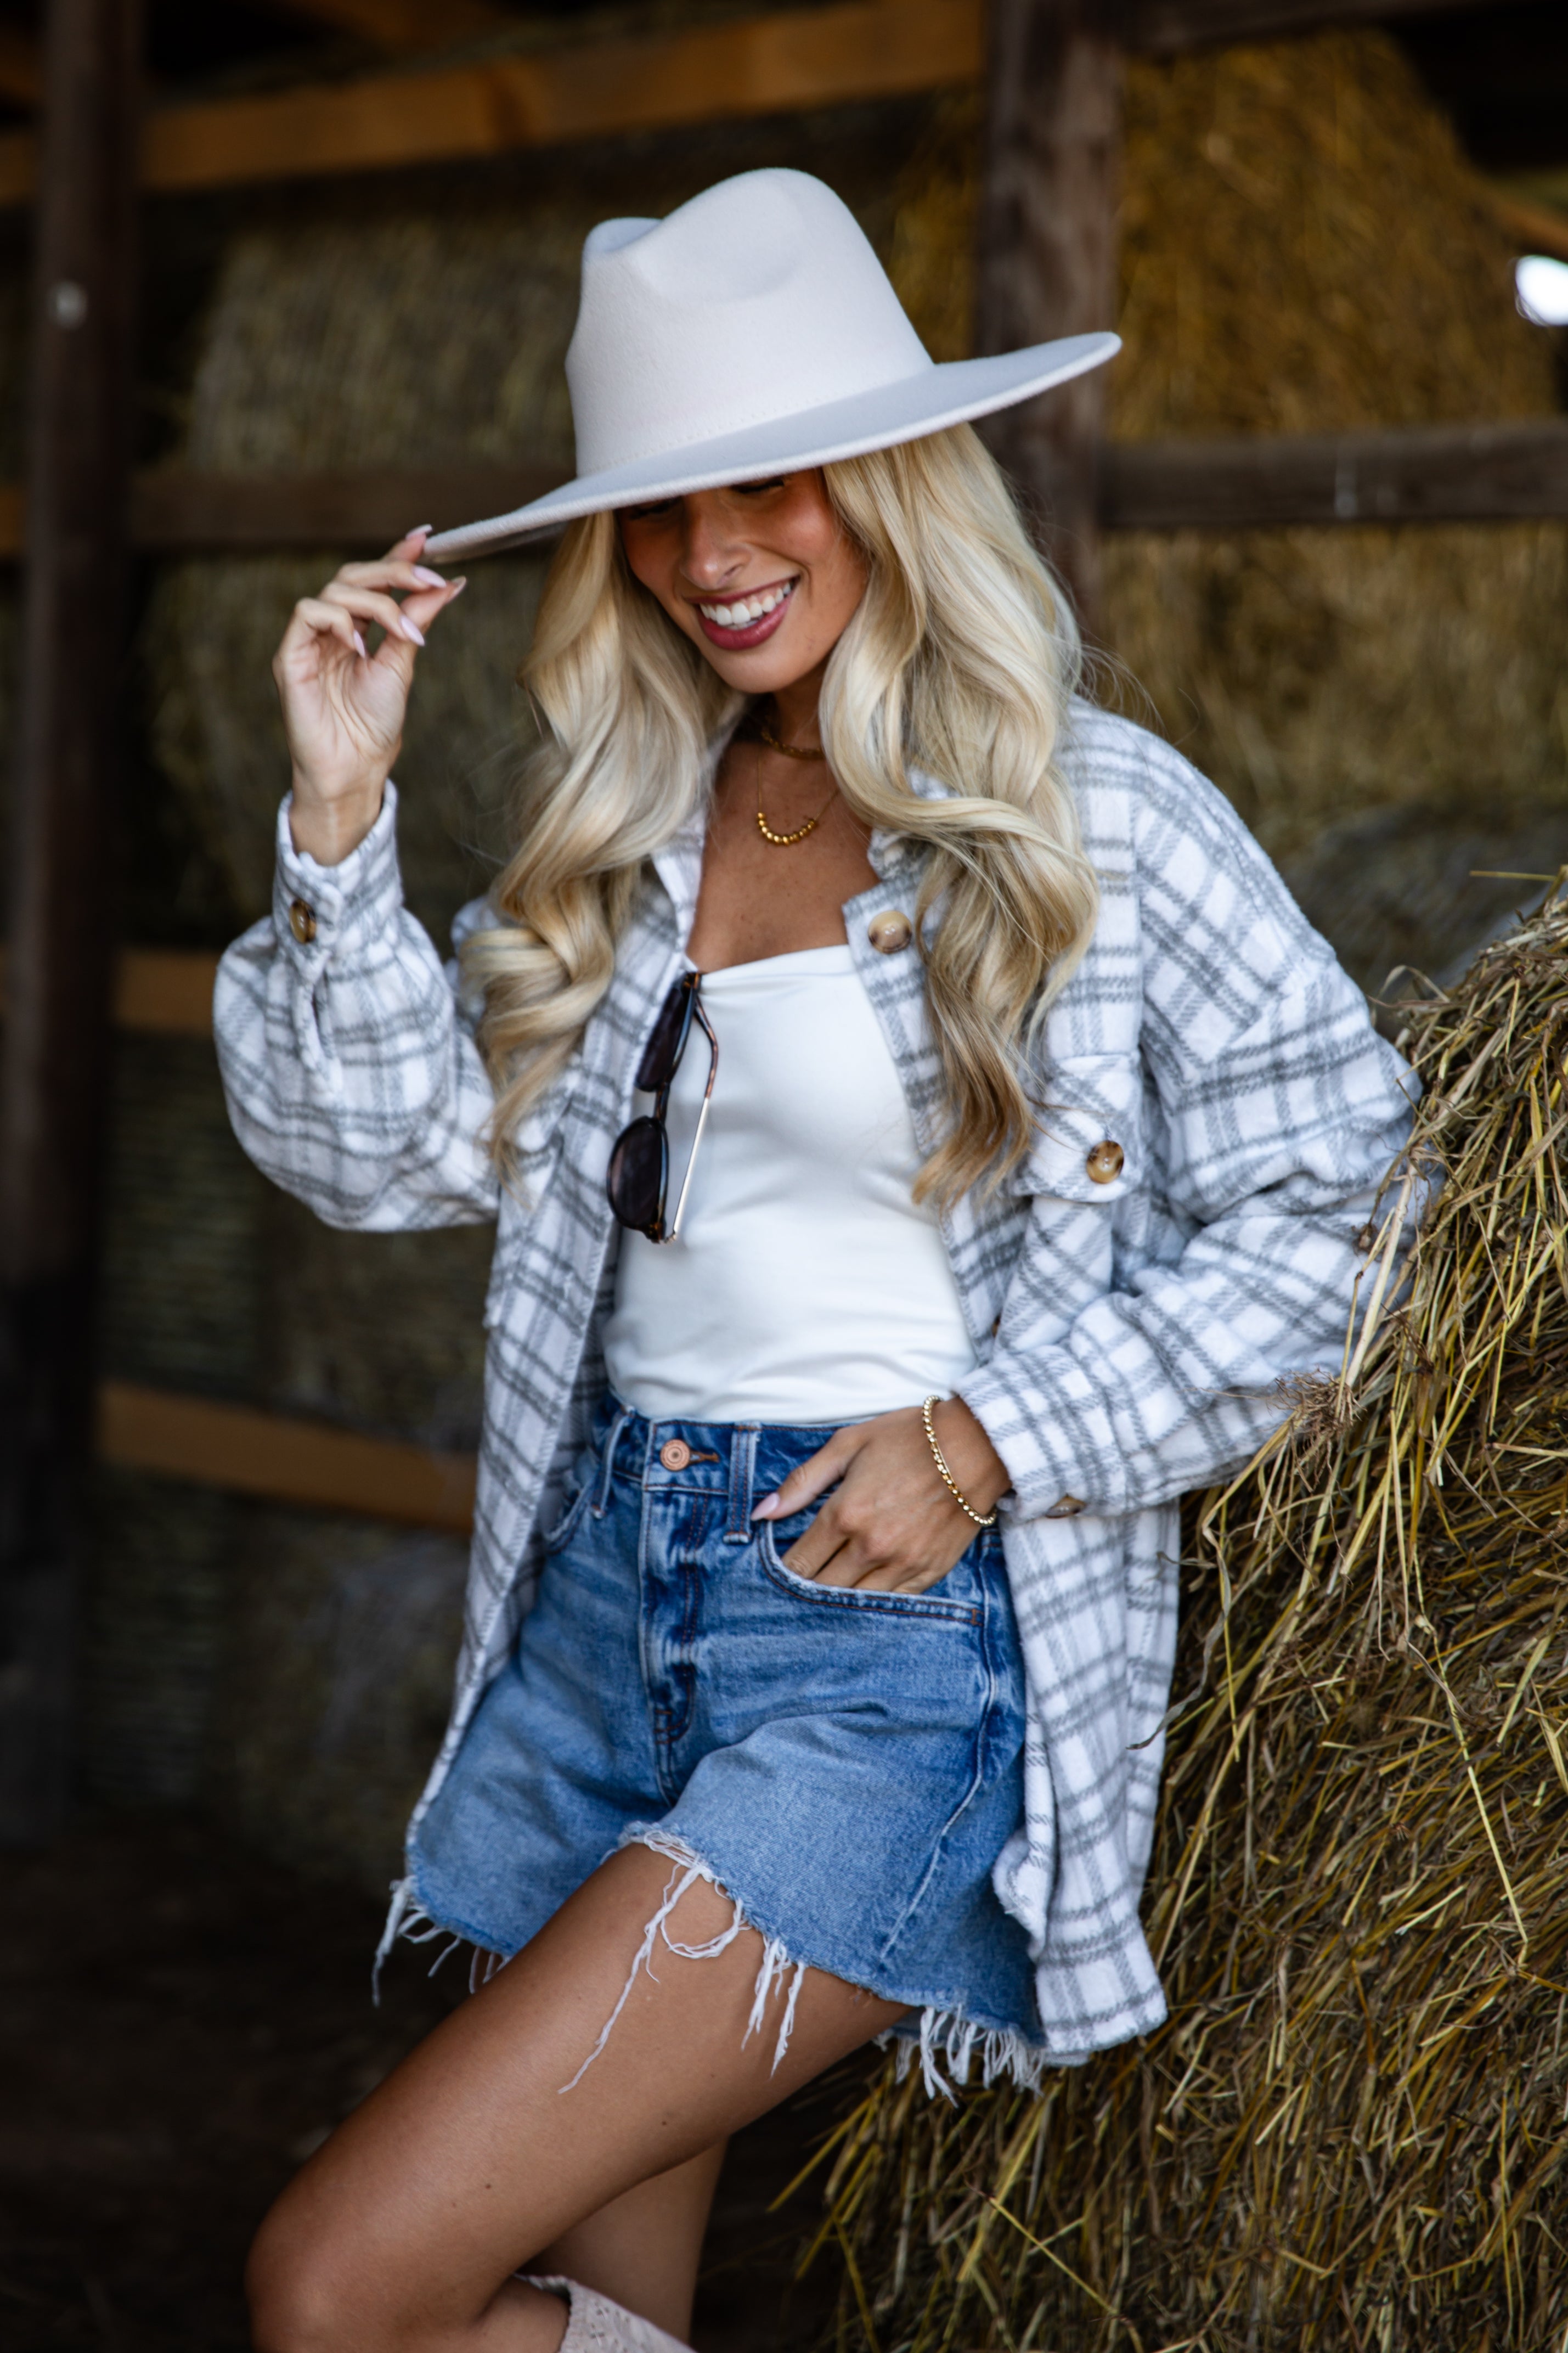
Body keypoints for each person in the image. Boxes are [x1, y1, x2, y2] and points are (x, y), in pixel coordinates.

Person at [216, 169, 1415, 2353]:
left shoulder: (1099, 816)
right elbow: (364, 1151)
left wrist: (990, 1436)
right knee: (586, 2303)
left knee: (342, 2290)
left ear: (889, 479)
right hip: (608, 1600)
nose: (712, 554)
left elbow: (1357, 1211)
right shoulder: (631, 841)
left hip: (882, 1649)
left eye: (768, 483)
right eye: (662, 509)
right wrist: (334, 821)